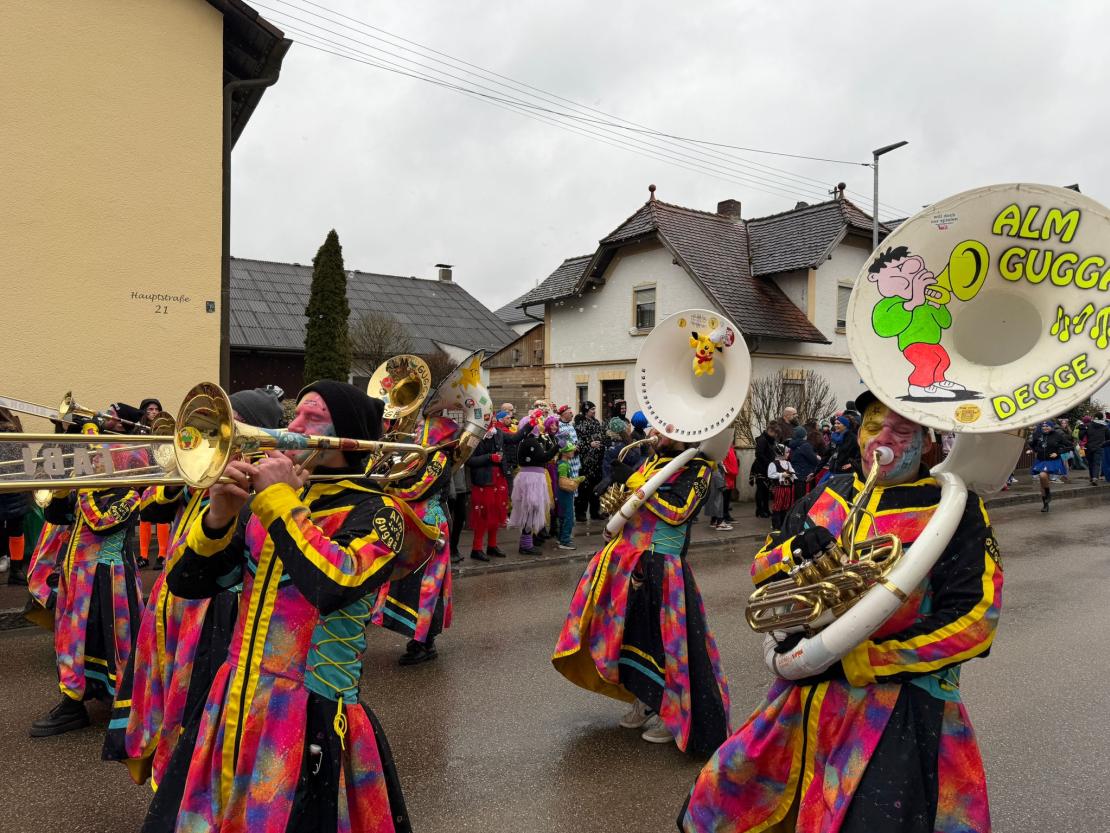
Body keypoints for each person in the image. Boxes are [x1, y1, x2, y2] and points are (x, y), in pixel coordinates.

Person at [680, 390, 1002, 833]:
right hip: (803, 692)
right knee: (729, 795)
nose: (882, 438)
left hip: (899, 704)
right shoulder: (829, 493)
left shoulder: (954, 509)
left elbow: (975, 622)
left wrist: (864, 658)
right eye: (872, 425)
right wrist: (796, 550)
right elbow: (762, 571)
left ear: (927, 442)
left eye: (902, 430)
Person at [143, 381, 424, 832]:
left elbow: (333, 585)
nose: (291, 428)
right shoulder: (271, 502)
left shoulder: (378, 511)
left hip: (311, 712)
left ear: (346, 436)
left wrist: (278, 500)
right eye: (295, 415)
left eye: (311, 419)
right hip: (234, 700)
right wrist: (217, 517)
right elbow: (187, 584)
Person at [102, 388, 284, 788]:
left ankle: (185, 791)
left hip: (213, 613)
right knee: (164, 697)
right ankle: (166, 784)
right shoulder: (206, 470)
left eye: (232, 422)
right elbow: (150, 508)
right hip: (170, 605)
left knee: (194, 715)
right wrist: (179, 478)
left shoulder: (261, 482)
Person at [553, 431, 730, 752]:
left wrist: (635, 487)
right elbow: (631, 504)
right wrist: (615, 488)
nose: (656, 432)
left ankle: (671, 712)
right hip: (625, 561)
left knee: (665, 644)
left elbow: (679, 512)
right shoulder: (651, 461)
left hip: (662, 566)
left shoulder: (701, 468)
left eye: (666, 427)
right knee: (629, 636)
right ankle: (645, 698)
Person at [30, 422, 144, 737]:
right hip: (77, 579)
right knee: (71, 642)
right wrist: (63, 491)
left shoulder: (130, 493)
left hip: (111, 583)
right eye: (91, 455)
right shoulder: (87, 488)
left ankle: (125, 707)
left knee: (114, 644)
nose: (92, 460)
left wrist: (82, 486)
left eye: (97, 455)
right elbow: (57, 519)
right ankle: (73, 702)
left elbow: (100, 523)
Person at [372, 415, 459, 666]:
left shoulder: (439, 457)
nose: (418, 430)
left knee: (425, 585)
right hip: (413, 522)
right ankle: (417, 637)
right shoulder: (420, 454)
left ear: (437, 433)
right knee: (407, 582)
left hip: (430, 525)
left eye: (423, 428)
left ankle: (425, 642)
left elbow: (418, 489)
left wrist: (388, 488)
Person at [508, 422, 558, 555]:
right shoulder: (531, 442)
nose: (540, 426)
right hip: (532, 479)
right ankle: (525, 545)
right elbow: (543, 457)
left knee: (531, 510)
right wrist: (558, 447)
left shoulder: (530, 441)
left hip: (532, 477)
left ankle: (527, 543)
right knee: (531, 509)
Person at [465, 422, 509, 562]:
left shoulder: (498, 434)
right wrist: (489, 457)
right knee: (482, 516)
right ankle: (476, 549)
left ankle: (492, 546)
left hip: (498, 478)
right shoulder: (473, 436)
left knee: (496, 513)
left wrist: (530, 424)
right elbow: (469, 460)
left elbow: (514, 438)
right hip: (483, 481)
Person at [0, 407, 30, 583]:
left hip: (11, 485)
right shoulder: (15, 428)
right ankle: (16, 570)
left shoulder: (10, 431)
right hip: (16, 484)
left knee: (13, 528)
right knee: (16, 529)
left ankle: (14, 567)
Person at [574, 401, 606, 522]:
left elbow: (601, 436)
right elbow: (577, 442)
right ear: (586, 410)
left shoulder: (596, 422)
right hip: (585, 461)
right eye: (592, 409)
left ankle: (595, 511)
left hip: (597, 460)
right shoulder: (579, 424)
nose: (594, 411)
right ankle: (580, 512)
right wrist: (589, 444)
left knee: (596, 486)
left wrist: (601, 444)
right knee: (584, 487)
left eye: (594, 409)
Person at [1030, 420, 1071, 511]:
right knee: (1042, 482)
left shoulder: (1057, 435)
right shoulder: (1038, 435)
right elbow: (1032, 444)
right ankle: (1045, 504)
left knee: (1042, 475)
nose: (1045, 428)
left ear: (1051, 427)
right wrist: (1036, 449)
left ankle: (1048, 493)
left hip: (1052, 461)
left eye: (1047, 426)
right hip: (1041, 460)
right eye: (1043, 426)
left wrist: (1058, 453)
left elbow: (1070, 445)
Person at [555, 443, 583, 550]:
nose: (573, 452)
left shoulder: (564, 463)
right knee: (568, 517)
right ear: (565, 453)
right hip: (565, 493)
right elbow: (563, 482)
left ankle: (561, 537)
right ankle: (565, 541)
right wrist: (575, 481)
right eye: (571, 450)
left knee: (563, 516)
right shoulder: (563, 465)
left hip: (564, 493)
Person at [751, 423, 779, 518]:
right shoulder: (762, 440)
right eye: (775, 432)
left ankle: (766, 509)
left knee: (766, 490)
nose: (776, 435)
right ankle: (760, 510)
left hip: (767, 468)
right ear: (770, 431)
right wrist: (769, 463)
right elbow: (759, 454)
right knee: (761, 490)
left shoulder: (770, 440)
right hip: (761, 468)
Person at [824, 414, 862, 480]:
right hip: (832, 473)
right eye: (835, 423)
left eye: (838, 423)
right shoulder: (834, 438)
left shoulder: (853, 439)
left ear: (845, 425)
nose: (835, 425)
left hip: (845, 475)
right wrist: (815, 472)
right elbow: (826, 455)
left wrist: (852, 464)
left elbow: (861, 456)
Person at [767, 444, 796, 529]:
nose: (788, 454)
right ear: (781, 453)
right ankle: (776, 525)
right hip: (779, 488)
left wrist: (792, 475)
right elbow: (770, 475)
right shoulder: (773, 464)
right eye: (786, 452)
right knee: (778, 506)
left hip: (788, 487)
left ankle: (783, 524)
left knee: (786, 505)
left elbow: (792, 472)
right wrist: (781, 475)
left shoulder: (788, 463)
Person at [786, 425, 820, 498]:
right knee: (803, 498)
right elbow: (814, 460)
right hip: (805, 475)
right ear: (803, 435)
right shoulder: (805, 445)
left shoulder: (792, 445)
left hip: (795, 473)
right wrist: (817, 458)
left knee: (797, 497)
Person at [1083, 414, 1107, 485]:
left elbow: (1082, 436)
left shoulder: (1088, 426)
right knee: (1097, 463)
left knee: (1090, 463)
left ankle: (1091, 477)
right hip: (1099, 446)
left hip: (1089, 447)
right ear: (1101, 418)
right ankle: (1095, 478)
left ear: (1094, 418)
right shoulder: (1104, 427)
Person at [720, 444, 738, 524]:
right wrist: (728, 471)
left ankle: (726, 515)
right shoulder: (724, 448)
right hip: (727, 476)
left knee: (727, 498)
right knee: (724, 498)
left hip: (731, 477)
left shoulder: (730, 448)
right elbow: (723, 462)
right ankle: (723, 516)